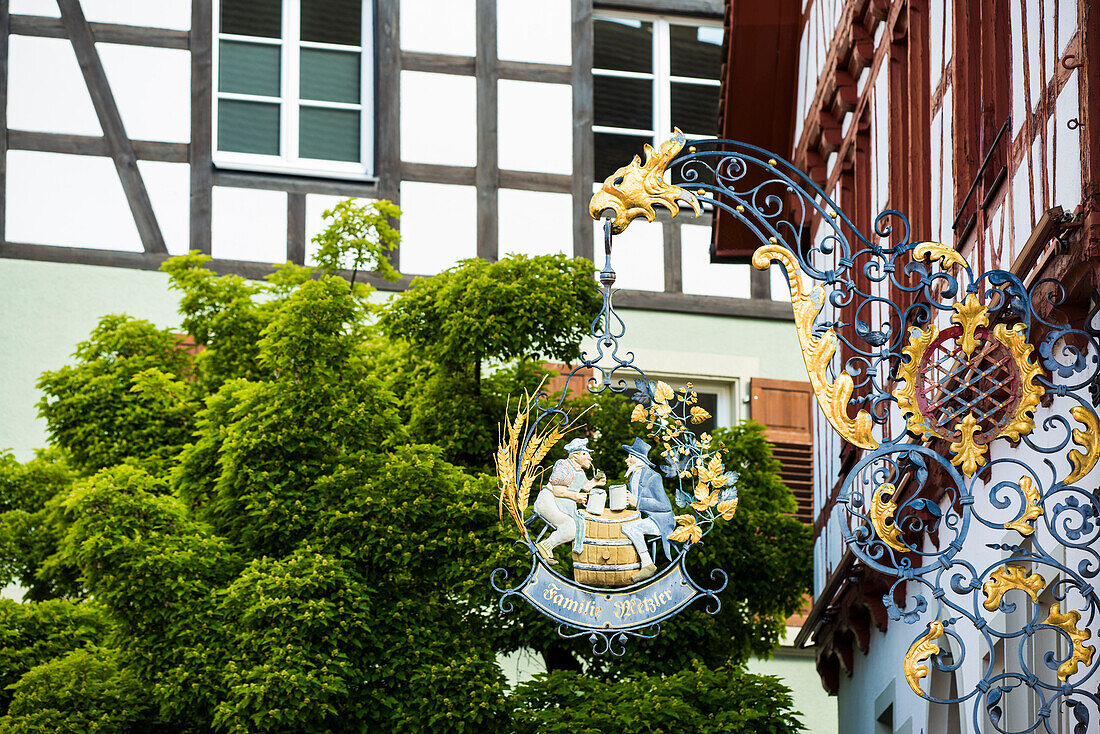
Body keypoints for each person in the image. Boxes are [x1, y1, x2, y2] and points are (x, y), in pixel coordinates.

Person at [533, 438, 605, 564]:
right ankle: (545, 546)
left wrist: (595, 482)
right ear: (577, 455)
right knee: (571, 526)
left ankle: (546, 548)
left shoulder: (580, 472)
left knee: (574, 526)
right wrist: (576, 496)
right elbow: (558, 492)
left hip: (560, 503)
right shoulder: (563, 465)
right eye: (587, 455)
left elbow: (585, 487)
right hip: (548, 501)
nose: (590, 459)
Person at [620, 437, 674, 582]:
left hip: (661, 521)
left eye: (630, 456)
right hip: (648, 517)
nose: (627, 460)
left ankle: (648, 565)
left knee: (630, 528)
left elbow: (664, 506)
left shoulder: (653, 477)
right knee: (623, 526)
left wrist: (638, 502)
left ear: (637, 458)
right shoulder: (634, 477)